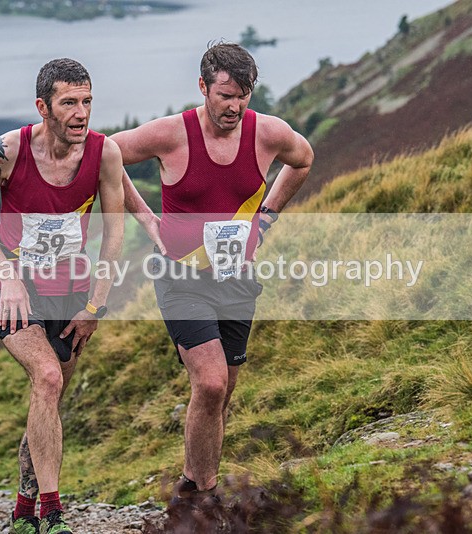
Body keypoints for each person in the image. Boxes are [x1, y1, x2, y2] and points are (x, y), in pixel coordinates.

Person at [111, 42, 313, 505]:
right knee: (211, 382)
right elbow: (106, 155)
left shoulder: (268, 133)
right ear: (202, 87)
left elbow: (303, 159)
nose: (234, 106)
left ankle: (192, 488)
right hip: (181, 279)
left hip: (236, 280)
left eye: (243, 96)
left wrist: (266, 217)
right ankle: (204, 499)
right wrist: (144, 216)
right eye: (225, 95)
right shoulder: (172, 134)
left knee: (222, 394)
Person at [0, 58, 124, 534]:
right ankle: (53, 514)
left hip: (71, 296)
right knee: (47, 377)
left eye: (87, 101)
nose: (81, 113)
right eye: (69, 102)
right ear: (43, 107)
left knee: (47, 397)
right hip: (15, 293)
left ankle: (23, 510)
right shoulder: (7, 151)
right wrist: (7, 273)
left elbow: (115, 233)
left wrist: (95, 305)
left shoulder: (104, 154)